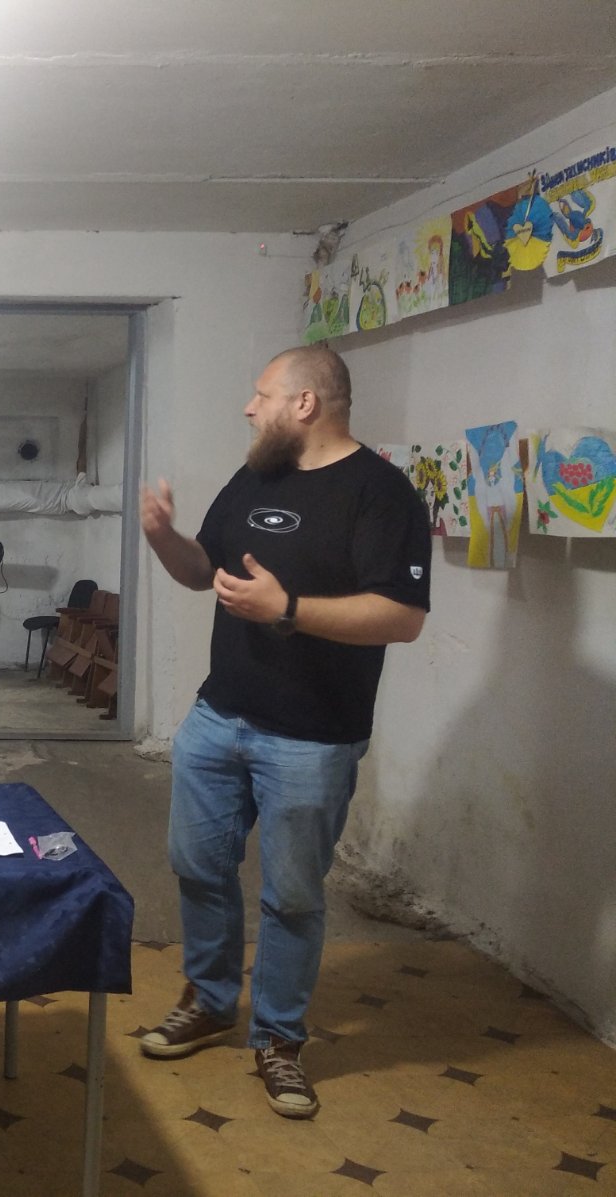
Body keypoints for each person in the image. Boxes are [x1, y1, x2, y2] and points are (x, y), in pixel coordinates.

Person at [137, 345, 430, 1119]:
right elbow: (202, 571)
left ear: (305, 403)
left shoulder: (382, 494)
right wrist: (164, 537)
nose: (248, 406)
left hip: (313, 737)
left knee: (293, 897)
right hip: (217, 716)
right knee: (197, 866)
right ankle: (209, 1001)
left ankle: (278, 1038)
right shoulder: (255, 477)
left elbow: (402, 617)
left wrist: (288, 609)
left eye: (261, 393)